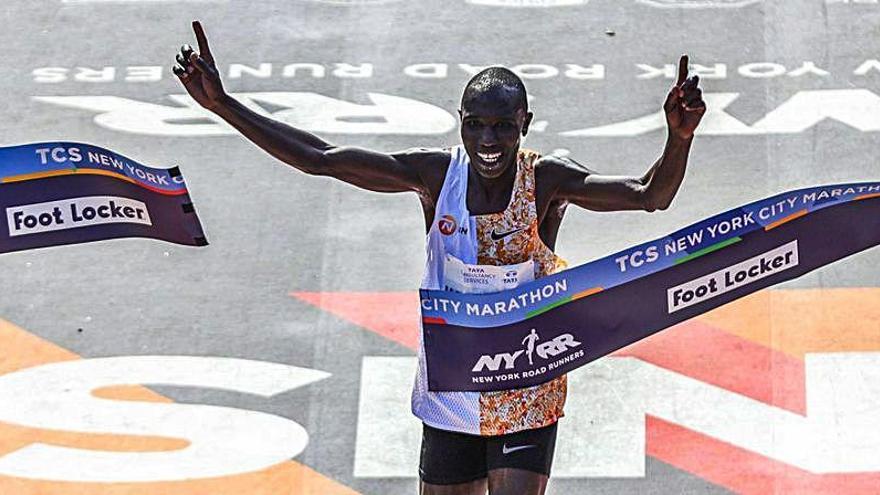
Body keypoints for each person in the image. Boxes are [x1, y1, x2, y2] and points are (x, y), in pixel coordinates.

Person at [173, 20, 705, 495]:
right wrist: (222, 104)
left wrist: (678, 139)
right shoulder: (436, 177)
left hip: (526, 384)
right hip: (452, 386)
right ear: (460, 122)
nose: (488, 140)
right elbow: (320, 160)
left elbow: (646, 194)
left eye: (503, 126)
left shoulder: (546, 181)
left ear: (526, 122)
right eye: (475, 125)